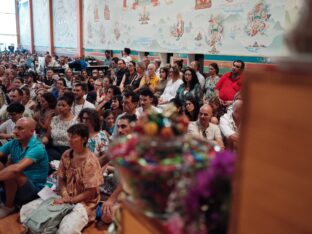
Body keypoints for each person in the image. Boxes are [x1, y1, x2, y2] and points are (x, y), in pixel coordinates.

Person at [20, 123, 103, 233]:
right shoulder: (66, 154)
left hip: (84, 202)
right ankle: (51, 225)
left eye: (73, 137)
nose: (69, 139)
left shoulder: (90, 161)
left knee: (67, 230)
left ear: (84, 139)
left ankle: (52, 225)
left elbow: (91, 192)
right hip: (63, 196)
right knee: (26, 210)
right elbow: (61, 178)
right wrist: (64, 195)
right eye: (68, 136)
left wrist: (70, 200)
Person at [0, 118, 48, 218]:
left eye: (20, 128)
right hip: (15, 185)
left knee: (14, 171)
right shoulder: (14, 143)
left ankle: (9, 206)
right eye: (15, 128)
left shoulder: (37, 147)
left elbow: (17, 169)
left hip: (33, 190)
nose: (15, 131)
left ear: (31, 131)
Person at [42, 93, 77, 164]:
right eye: (59, 105)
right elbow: (47, 136)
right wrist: (43, 142)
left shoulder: (76, 121)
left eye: (63, 105)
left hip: (69, 150)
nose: (60, 107)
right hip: (54, 149)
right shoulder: (54, 119)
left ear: (70, 106)